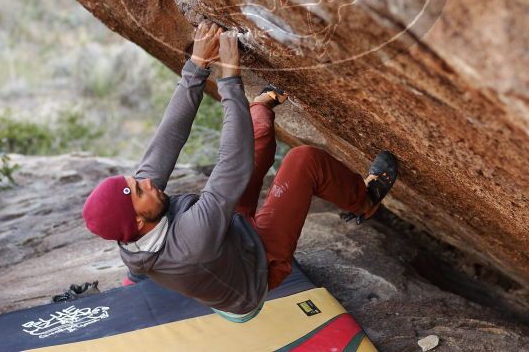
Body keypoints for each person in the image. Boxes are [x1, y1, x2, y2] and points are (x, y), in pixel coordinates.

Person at [82, 20, 398, 322]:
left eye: (137, 182)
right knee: (304, 161)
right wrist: (229, 77)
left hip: (229, 237)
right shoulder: (191, 243)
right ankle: (365, 201)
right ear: (138, 220)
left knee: (255, 130)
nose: (148, 182)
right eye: (139, 190)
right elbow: (233, 166)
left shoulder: (132, 231)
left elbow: (168, 139)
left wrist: (196, 67)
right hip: (257, 268)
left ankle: (261, 107)